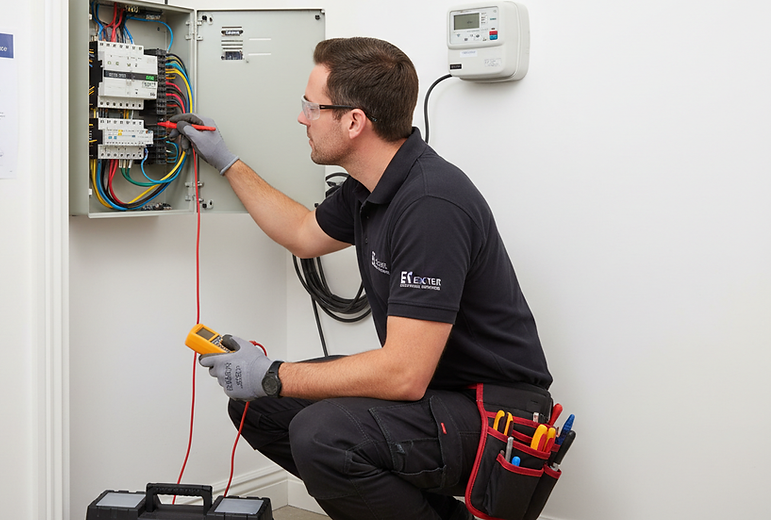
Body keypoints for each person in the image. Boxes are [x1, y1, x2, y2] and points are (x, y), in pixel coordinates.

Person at [171, 37, 553, 520]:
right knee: (258, 408)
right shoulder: (371, 187)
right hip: (435, 395)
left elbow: (403, 373)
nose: (301, 117)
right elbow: (303, 234)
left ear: (353, 122)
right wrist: (227, 162)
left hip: (495, 416)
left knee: (323, 432)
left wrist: (272, 374)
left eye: (311, 106)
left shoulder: (431, 204)